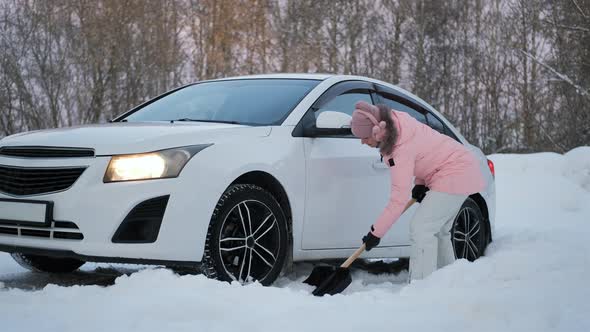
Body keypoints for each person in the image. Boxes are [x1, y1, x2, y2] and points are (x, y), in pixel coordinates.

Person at [350, 100, 486, 282]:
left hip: (455, 171)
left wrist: (376, 233)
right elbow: (426, 148)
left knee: (422, 228)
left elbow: (398, 200)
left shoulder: (399, 148)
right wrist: (421, 182)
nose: (362, 142)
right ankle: (450, 281)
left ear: (376, 132)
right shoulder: (397, 124)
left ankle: (421, 285)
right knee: (438, 230)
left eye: (365, 137)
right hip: (458, 168)